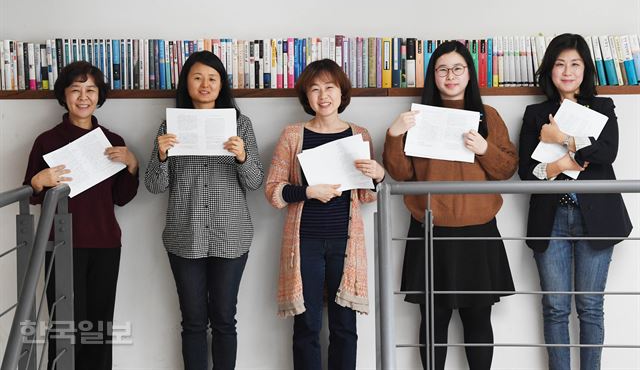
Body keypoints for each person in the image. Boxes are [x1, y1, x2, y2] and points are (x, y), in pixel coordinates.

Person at [383, 40, 517, 370]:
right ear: (433, 77)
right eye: (442, 69)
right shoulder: (417, 117)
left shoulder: (488, 116)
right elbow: (401, 175)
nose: (450, 76)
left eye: (458, 68)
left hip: (478, 232)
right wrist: (393, 134)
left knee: (478, 321)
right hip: (430, 231)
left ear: (469, 75)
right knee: (433, 320)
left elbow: (506, 170)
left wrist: (485, 148)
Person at [518, 33, 632, 370]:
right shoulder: (535, 112)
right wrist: (561, 165)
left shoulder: (602, 106)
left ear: (586, 70)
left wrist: (561, 139)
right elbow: (527, 171)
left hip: (595, 216)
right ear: (549, 70)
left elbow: (606, 153)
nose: (567, 71)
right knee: (555, 306)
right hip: (551, 218)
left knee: (590, 305)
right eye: (560, 64)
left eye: (575, 64)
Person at [144, 51, 264, 370]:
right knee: (193, 321)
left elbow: (255, 182)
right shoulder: (169, 126)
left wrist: (242, 157)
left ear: (221, 83)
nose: (205, 84)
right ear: (187, 82)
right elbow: (154, 186)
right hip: (185, 236)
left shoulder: (241, 124)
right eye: (197, 77)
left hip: (231, 236)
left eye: (212, 78)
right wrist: (162, 155)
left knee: (225, 319)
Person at [264, 59, 384, 370]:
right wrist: (307, 191)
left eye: (330, 87)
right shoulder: (293, 135)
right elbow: (273, 190)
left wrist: (379, 175)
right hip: (305, 242)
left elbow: (367, 195)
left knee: (345, 327)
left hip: (346, 242)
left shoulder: (360, 134)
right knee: (307, 326)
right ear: (306, 96)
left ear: (341, 92)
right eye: (314, 89)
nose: (323, 95)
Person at [23, 61, 139, 370]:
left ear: (99, 96)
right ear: (64, 95)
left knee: (99, 328)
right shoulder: (46, 141)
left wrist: (131, 164)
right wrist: (39, 181)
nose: (83, 97)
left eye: (91, 90)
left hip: (104, 243)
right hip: (59, 243)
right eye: (76, 90)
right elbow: (31, 192)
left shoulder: (113, 141)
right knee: (65, 327)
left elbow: (122, 197)